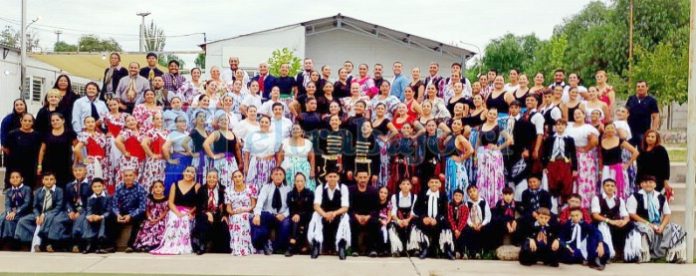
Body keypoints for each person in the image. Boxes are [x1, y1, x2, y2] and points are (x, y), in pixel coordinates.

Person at [625, 175, 686, 263]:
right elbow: (632, 214)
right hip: (640, 223)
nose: (648, 184)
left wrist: (662, 226)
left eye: (651, 182)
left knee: (677, 229)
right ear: (641, 185)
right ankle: (643, 255)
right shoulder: (635, 196)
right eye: (645, 182)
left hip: (657, 223)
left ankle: (675, 256)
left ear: (655, 185)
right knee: (644, 229)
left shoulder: (661, 197)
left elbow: (667, 214)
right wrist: (648, 224)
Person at [151, 166, 201, 255]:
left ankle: (182, 245)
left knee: (185, 220)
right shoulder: (175, 184)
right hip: (175, 210)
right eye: (187, 171)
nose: (189, 174)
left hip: (189, 211)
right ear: (183, 172)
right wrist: (177, 213)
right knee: (174, 220)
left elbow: (198, 204)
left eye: (192, 172)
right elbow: (170, 202)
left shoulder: (197, 186)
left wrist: (190, 212)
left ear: (194, 175)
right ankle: (170, 245)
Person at [15, 172, 69, 252]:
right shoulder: (38, 191)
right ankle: (26, 242)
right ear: (43, 181)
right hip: (39, 213)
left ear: (55, 181)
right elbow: (35, 206)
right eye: (46, 179)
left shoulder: (59, 190)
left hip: (53, 213)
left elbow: (59, 207)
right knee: (23, 221)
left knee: (47, 219)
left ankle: (41, 243)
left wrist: (45, 214)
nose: (49, 181)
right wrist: (37, 216)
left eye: (51, 179)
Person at [307, 170, 351, 260]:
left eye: (334, 176)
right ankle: (316, 245)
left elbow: (345, 207)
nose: (332, 178)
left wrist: (334, 213)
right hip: (323, 214)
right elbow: (316, 206)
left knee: (345, 217)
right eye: (330, 176)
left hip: (337, 213)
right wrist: (325, 214)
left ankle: (341, 246)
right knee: (315, 215)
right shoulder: (320, 188)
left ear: (338, 178)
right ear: (326, 178)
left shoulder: (343, 188)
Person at [251, 167, 292, 254]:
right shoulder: (266, 187)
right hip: (269, 216)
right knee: (260, 217)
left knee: (286, 224)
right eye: (276, 174)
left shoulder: (288, 189)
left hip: (282, 216)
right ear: (272, 176)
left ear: (284, 176)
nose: (278, 176)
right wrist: (257, 214)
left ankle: (276, 247)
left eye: (280, 174)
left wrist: (284, 215)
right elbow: (260, 202)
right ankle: (263, 244)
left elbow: (291, 206)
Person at [476, 108, 512, 206]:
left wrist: (499, 147)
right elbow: (478, 143)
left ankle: (494, 202)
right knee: (483, 178)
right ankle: (484, 202)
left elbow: (509, 140)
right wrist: (475, 157)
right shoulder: (481, 126)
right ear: (487, 114)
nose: (491, 115)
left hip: (493, 156)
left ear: (496, 116)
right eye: (490, 113)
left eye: (494, 114)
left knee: (493, 178)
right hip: (482, 155)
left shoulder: (498, 127)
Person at [591, 179, 632, 260]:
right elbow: (595, 215)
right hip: (602, 223)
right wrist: (610, 221)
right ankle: (608, 253)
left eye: (612, 186)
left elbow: (626, 215)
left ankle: (621, 253)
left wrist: (624, 222)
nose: (610, 187)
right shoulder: (597, 198)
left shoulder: (619, 200)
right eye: (607, 185)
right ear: (603, 187)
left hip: (615, 223)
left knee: (630, 225)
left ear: (615, 188)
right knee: (604, 227)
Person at [566, 109, 599, 208]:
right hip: (570, 156)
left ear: (584, 115)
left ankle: (584, 204)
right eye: (575, 114)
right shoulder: (569, 126)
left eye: (579, 113)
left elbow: (594, 141)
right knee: (572, 179)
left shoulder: (588, 127)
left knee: (584, 179)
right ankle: (572, 203)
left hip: (583, 157)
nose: (577, 115)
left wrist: (585, 149)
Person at [599, 122, 639, 200]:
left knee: (619, 189)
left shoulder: (620, 141)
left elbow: (635, 152)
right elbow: (601, 158)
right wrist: (600, 171)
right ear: (605, 130)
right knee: (606, 188)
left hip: (618, 168)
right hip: (606, 169)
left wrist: (628, 164)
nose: (610, 130)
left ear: (615, 130)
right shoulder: (602, 141)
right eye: (608, 128)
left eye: (612, 128)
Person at [542, 119, 577, 205]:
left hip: (565, 163)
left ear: (565, 126)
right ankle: (553, 205)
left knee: (566, 184)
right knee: (552, 183)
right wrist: (544, 166)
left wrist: (574, 169)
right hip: (553, 163)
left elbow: (573, 154)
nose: (560, 126)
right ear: (555, 127)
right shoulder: (550, 139)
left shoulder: (569, 139)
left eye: (562, 125)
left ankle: (565, 205)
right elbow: (545, 153)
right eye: (558, 125)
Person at [38, 113, 77, 188]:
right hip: (49, 165)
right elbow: (42, 150)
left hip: (65, 166)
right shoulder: (47, 134)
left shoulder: (70, 133)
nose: (55, 122)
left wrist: (75, 163)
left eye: (57, 120)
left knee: (64, 187)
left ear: (63, 120)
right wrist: (39, 165)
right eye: (53, 120)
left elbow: (77, 149)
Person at [111, 168, 147, 253]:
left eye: (130, 175)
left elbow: (142, 207)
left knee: (139, 219)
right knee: (111, 217)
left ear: (135, 176)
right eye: (126, 176)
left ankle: (130, 245)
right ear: (122, 177)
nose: (128, 177)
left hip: (135, 212)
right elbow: (114, 204)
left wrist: (131, 215)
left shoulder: (140, 188)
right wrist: (117, 214)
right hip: (123, 212)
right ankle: (111, 245)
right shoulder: (119, 187)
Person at [194, 170, 230, 254]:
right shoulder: (201, 190)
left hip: (218, 215)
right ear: (206, 178)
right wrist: (206, 212)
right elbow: (198, 207)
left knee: (224, 224)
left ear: (217, 178)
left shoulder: (222, 189)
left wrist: (225, 215)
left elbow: (226, 204)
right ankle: (202, 245)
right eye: (209, 177)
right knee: (204, 220)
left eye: (214, 177)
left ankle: (222, 248)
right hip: (204, 214)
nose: (211, 179)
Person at [412, 178, 449, 259]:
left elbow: (445, 211)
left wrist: (437, 219)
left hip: (437, 221)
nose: (434, 184)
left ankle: (445, 249)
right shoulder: (422, 194)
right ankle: (424, 248)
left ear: (440, 184)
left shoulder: (443, 195)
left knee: (445, 226)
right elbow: (416, 209)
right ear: (428, 184)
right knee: (417, 226)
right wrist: (424, 217)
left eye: (436, 182)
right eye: (432, 182)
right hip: (425, 220)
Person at [204, 114, 242, 189]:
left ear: (229, 122)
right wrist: (213, 156)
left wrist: (240, 162)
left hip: (232, 163)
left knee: (232, 182)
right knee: (220, 183)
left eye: (226, 119)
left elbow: (237, 149)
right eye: (221, 120)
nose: (224, 121)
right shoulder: (216, 133)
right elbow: (206, 144)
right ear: (218, 123)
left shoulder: (233, 133)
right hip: (220, 163)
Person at [244, 116, 280, 193]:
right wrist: (246, 166)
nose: (264, 124)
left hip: (270, 165)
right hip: (256, 164)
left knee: (269, 186)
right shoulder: (252, 135)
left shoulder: (274, 136)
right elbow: (246, 152)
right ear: (259, 123)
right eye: (262, 122)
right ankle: (254, 203)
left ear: (270, 124)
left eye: (266, 122)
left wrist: (277, 166)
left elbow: (277, 153)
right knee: (254, 187)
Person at [4, 114, 41, 189]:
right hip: (15, 166)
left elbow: (40, 150)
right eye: (25, 120)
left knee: (29, 189)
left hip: (30, 166)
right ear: (21, 121)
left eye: (29, 121)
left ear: (33, 123)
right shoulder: (12, 134)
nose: (27, 123)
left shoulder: (37, 135)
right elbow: (6, 149)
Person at [348, 171, 380, 257]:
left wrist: (368, 216)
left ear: (368, 178)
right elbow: (348, 207)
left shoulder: (373, 191)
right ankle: (354, 249)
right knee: (352, 222)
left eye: (365, 177)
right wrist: (356, 216)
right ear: (356, 178)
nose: (363, 180)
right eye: (360, 177)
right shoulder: (350, 190)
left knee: (374, 222)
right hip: (355, 215)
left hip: (369, 216)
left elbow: (376, 208)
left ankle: (372, 249)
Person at [226, 170, 257, 256]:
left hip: (248, 212)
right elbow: (228, 208)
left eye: (239, 176)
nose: (237, 178)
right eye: (235, 177)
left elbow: (254, 205)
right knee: (237, 218)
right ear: (232, 179)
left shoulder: (251, 188)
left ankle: (246, 247)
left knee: (243, 217)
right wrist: (234, 212)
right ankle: (237, 248)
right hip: (235, 213)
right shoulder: (228, 190)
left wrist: (245, 210)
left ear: (243, 177)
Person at [132, 180, 168, 252]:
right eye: (156, 187)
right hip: (151, 218)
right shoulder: (149, 198)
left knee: (157, 227)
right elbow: (147, 210)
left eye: (160, 187)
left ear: (163, 188)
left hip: (161, 219)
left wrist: (157, 219)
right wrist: (149, 218)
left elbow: (165, 211)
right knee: (146, 226)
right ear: (153, 189)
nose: (158, 189)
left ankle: (152, 246)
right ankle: (144, 245)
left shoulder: (166, 199)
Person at [0, 171, 32, 249]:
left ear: (22, 179)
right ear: (10, 180)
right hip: (12, 212)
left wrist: (15, 212)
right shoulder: (8, 191)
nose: (15, 179)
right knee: (3, 218)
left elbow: (26, 203)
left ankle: (14, 242)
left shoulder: (27, 189)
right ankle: (4, 239)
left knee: (10, 219)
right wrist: (9, 212)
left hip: (23, 211)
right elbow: (7, 204)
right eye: (12, 177)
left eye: (17, 177)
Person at [285, 172, 314, 257]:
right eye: (297, 181)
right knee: (295, 221)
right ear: (294, 182)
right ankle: (291, 246)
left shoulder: (310, 193)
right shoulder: (290, 194)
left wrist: (299, 215)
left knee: (301, 221)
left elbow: (310, 210)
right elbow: (291, 209)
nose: (299, 183)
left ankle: (303, 246)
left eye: (301, 181)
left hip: (307, 217)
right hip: (294, 217)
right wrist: (296, 215)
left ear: (305, 182)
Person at [279, 124, 316, 191]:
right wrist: (278, 168)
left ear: (302, 131)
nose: (295, 130)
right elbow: (280, 156)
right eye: (293, 129)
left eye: (297, 129)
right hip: (287, 169)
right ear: (291, 132)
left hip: (304, 169)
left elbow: (312, 158)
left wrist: (312, 170)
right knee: (287, 189)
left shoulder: (308, 143)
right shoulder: (285, 142)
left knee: (305, 188)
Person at [80, 178, 112, 254]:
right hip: (94, 218)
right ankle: (89, 243)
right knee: (86, 219)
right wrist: (90, 216)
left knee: (104, 220)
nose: (97, 188)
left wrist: (100, 217)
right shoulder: (90, 198)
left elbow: (109, 211)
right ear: (92, 188)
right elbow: (88, 210)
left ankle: (101, 243)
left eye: (99, 186)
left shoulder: (108, 197)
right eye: (95, 187)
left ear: (103, 186)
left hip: (105, 218)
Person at [443, 119, 473, 199]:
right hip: (449, 165)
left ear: (462, 127)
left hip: (455, 167)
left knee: (456, 187)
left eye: (458, 124)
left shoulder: (460, 137)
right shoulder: (451, 137)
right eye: (454, 123)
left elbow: (471, 150)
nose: (455, 125)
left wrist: (461, 158)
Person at [64, 165, 91, 253]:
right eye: (75, 171)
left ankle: (77, 244)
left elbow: (89, 202)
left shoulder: (90, 184)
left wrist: (80, 211)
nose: (78, 172)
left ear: (85, 171)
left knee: (79, 220)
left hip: (85, 209)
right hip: (73, 210)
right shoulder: (69, 185)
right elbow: (67, 201)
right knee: (59, 219)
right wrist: (70, 211)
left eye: (80, 170)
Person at [388, 123, 420, 194]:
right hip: (398, 169)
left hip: (410, 169)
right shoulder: (396, 141)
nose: (406, 129)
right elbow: (391, 156)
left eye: (408, 128)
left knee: (410, 188)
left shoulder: (415, 142)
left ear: (411, 130)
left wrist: (415, 175)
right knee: (397, 188)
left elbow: (418, 159)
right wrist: (396, 161)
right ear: (401, 129)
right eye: (404, 128)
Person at [162, 116, 192, 190]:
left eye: (184, 121)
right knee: (176, 181)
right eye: (180, 121)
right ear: (176, 124)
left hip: (189, 160)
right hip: (179, 161)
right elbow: (164, 148)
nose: (183, 123)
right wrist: (169, 160)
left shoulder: (188, 133)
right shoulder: (173, 134)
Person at [140, 113, 169, 192]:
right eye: (157, 119)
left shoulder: (166, 132)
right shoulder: (151, 132)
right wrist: (152, 155)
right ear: (153, 121)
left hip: (164, 161)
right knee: (152, 180)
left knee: (161, 180)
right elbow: (143, 144)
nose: (160, 120)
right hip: (154, 162)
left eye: (161, 118)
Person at [625, 80, 660, 146]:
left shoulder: (652, 101)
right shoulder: (631, 99)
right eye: (638, 86)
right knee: (629, 153)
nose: (640, 88)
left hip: (644, 132)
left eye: (642, 86)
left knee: (643, 152)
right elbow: (626, 113)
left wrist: (653, 131)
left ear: (647, 88)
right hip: (630, 131)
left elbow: (655, 117)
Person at [114, 115, 146, 184]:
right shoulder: (126, 132)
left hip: (141, 159)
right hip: (130, 160)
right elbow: (117, 141)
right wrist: (125, 152)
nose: (131, 122)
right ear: (125, 124)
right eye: (128, 121)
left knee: (139, 179)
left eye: (132, 120)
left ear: (136, 121)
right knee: (128, 180)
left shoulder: (142, 132)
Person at [462, 185, 492, 259]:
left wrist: (481, 225)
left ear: (477, 191)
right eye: (470, 192)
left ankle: (484, 251)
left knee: (487, 229)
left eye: (474, 191)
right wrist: (472, 225)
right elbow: (466, 218)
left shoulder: (483, 202)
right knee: (468, 230)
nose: (472, 193)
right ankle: (472, 252)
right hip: (472, 224)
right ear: (468, 194)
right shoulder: (467, 204)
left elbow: (488, 216)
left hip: (482, 223)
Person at [104, 99, 125, 192]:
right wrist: (105, 133)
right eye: (110, 105)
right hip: (110, 142)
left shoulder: (125, 116)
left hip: (121, 142)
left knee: (121, 162)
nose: (113, 106)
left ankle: (120, 184)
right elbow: (96, 124)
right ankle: (111, 187)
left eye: (114, 104)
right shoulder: (106, 116)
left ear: (118, 104)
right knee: (111, 162)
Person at [446, 189, 469, 259]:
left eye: (459, 196)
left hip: (461, 226)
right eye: (456, 195)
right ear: (453, 196)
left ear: (462, 197)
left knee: (464, 233)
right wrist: (455, 229)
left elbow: (464, 219)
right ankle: (455, 251)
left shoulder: (465, 207)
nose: (457, 197)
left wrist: (459, 229)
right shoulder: (449, 206)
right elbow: (450, 218)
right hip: (452, 225)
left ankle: (462, 252)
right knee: (452, 233)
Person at [188, 111, 210, 182]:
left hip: (206, 158)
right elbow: (185, 143)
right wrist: (192, 153)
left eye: (204, 117)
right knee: (197, 178)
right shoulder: (194, 131)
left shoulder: (206, 131)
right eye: (200, 116)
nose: (202, 118)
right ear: (196, 119)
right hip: (198, 159)